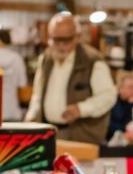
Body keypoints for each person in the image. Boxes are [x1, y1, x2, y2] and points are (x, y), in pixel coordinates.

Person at [25, 13, 117, 144]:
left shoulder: (92, 61)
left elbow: (108, 96)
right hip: (48, 132)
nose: (61, 45)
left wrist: (81, 109)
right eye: (56, 40)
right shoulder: (46, 59)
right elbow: (38, 94)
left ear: (77, 37)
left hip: (80, 135)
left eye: (66, 40)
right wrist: (31, 116)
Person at [107, 74, 133, 140]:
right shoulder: (112, 102)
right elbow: (109, 126)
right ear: (120, 89)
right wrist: (125, 128)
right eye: (131, 87)